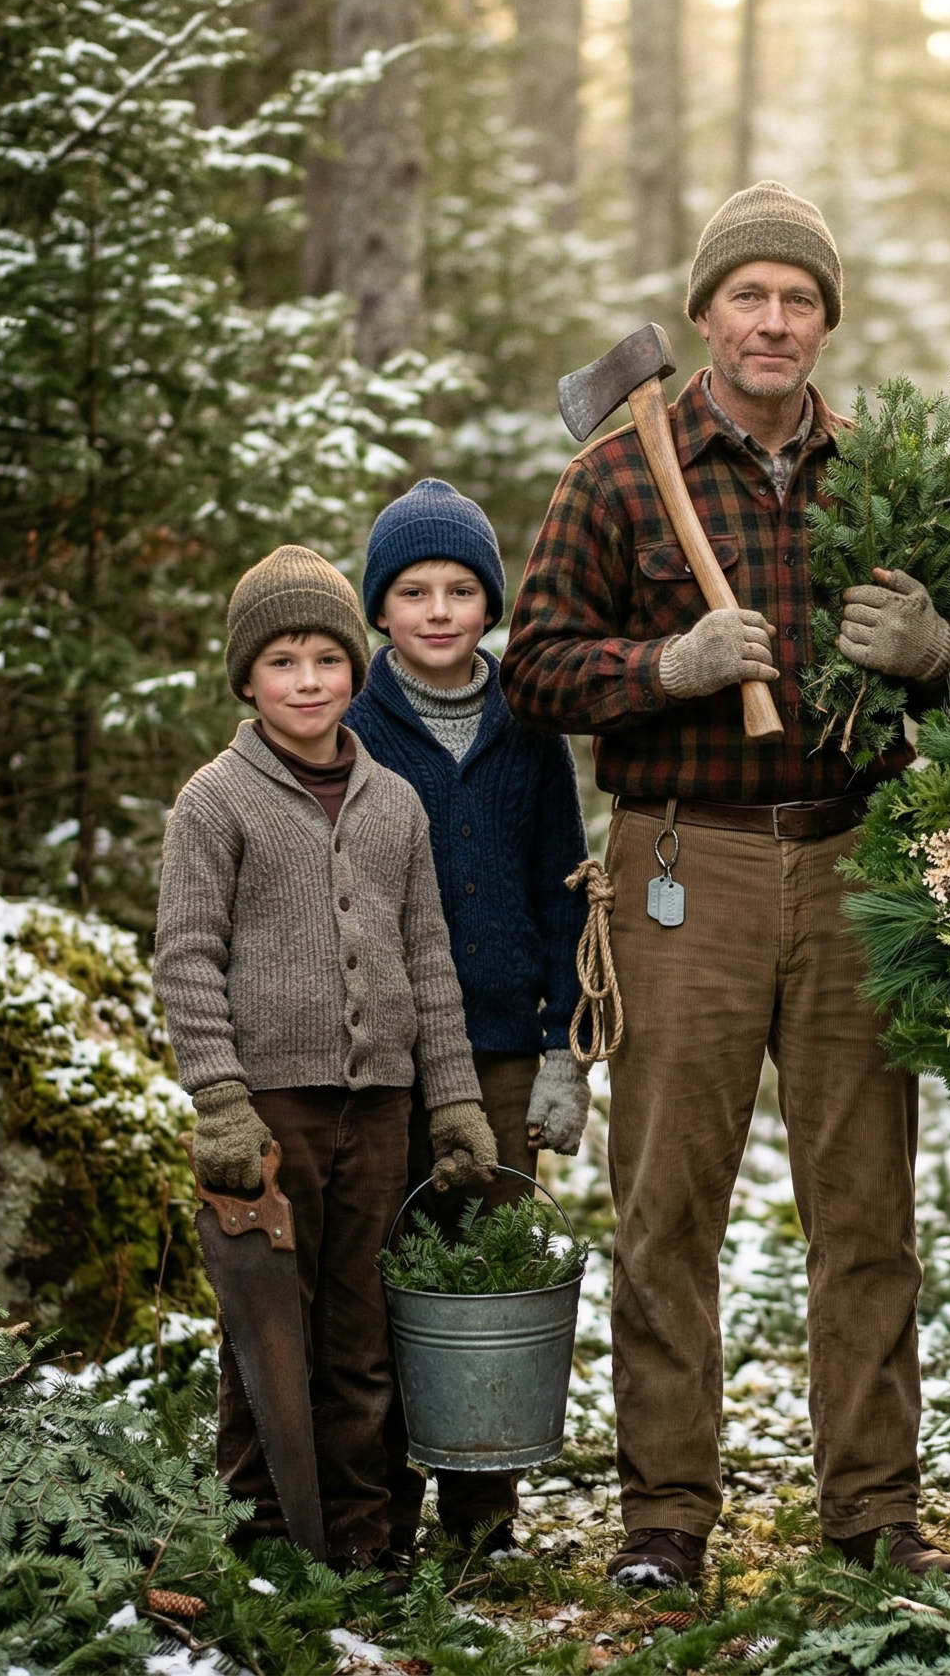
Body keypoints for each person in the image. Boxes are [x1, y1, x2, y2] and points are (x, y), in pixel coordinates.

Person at [504, 182, 950, 1587]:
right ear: (706, 315)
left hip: (853, 858)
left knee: (865, 1210)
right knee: (666, 1207)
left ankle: (873, 1512)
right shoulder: (614, 476)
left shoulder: (884, 480)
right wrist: (665, 667)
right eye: (747, 296)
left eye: (798, 299)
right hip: (678, 863)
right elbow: (532, 669)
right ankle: (664, 1518)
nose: (772, 321)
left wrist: (938, 656)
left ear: (826, 322)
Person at [155, 543, 491, 1568]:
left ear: (357, 667)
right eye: (282, 662)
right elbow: (186, 957)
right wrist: (220, 1098)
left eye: (327, 660)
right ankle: (263, 1537)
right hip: (271, 1113)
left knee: (361, 1339)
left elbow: (429, 961)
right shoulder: (215, 800)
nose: (308, 681)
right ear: (246, 680)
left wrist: (455, 1103)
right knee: (268, 1335)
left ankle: (361, 1537)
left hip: (380, 1109)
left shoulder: (395, 802)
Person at [342, 478, 592, 1562]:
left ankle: (481, 1510)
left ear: (491, 603)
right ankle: (381, 1509)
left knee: (485, 1269)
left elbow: (565, 890)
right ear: (379, 608)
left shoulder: (526, 726)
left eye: (460, 590)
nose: (438, 611)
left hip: (499, 1052)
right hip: (382, 1058)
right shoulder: (352, 725)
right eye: (413, 591)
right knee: (388, 1267)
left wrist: (564, 1049)